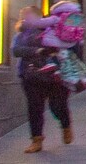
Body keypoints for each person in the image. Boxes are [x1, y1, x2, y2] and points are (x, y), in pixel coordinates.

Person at [12, 10, 72, 153]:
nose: (26, 19)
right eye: (24, 17)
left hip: (55, 75)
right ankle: (36, 140)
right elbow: (16, 51)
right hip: (31, 76)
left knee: (57, 106)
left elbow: (67, 46)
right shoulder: (21, 34)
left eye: (30, 16)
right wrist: (37, 51)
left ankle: (66, 125)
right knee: (35, 108)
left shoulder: (53, 29)